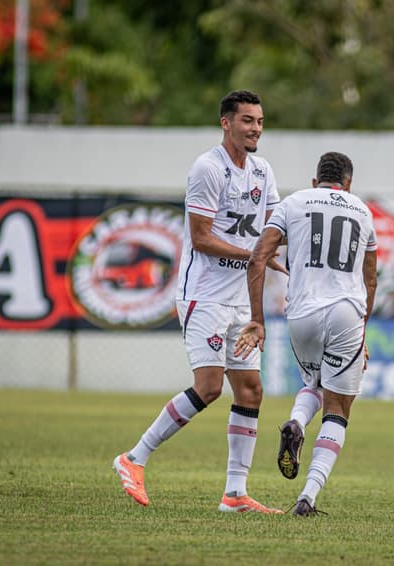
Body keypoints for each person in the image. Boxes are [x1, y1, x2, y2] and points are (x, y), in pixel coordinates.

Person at [113, 90, 287, 513]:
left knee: (250, 389)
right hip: (204, 297)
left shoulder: (262, 171)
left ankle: (235, 494)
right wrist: (256, 255)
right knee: (209, 387)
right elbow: (202, 239)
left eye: (260, 121)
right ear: (226, 123)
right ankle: (133, 458)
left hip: (241, 301)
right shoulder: (208, 168)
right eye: (247, 120)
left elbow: (277, 227)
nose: (256, 128)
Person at [234, 151, 378, 517]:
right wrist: (362, 330)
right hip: (347, 312)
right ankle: (307, 498)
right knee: (339, 407)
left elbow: (258, 258)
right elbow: (371, 277)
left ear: (316, 182)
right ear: (347, 185)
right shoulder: (362, 210)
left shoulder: (292, 202)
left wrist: (257, 319)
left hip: (302, 313)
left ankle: (296, 423)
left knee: (312, 383)